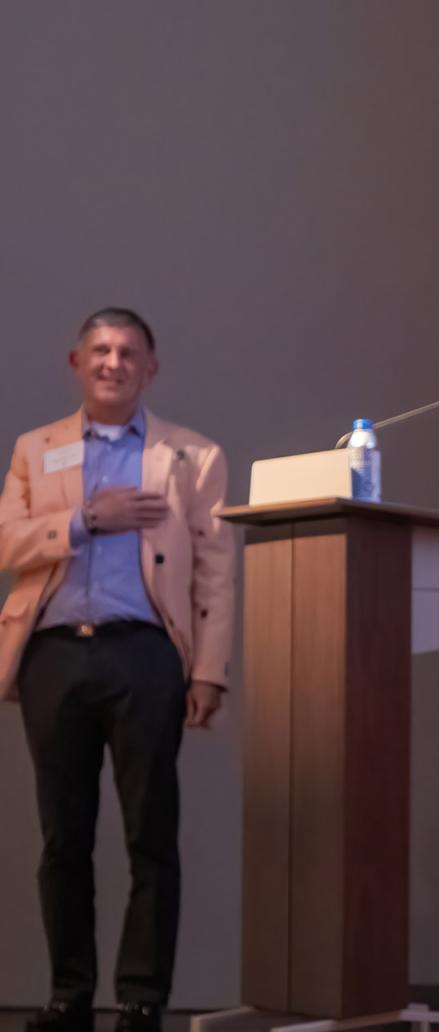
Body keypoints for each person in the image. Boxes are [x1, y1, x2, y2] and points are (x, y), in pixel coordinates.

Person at [0, 308, 236, 1032]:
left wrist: (209, 671)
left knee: (150, 835)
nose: (113, 361)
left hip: (145, 654)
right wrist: (83, 521)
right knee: (62, 837)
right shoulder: (36, 450)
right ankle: (69, 995)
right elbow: (8, 544)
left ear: (150, 368)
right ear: (76, 362)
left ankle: (140, 1000)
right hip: (54, 654)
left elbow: (216, 574)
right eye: (100, 349)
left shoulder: (193, 456)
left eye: (128, 351)